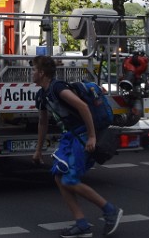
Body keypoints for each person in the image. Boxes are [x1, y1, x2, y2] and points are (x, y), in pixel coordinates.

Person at [30, 55, 123, 237]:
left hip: (81, 135)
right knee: (59, 176)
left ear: (41, 73)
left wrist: (91, 136)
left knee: (69, 180)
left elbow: (83, 107)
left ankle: (110, 210)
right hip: (69, 137)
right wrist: (38, 150)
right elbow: (42, 123)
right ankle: (81, 223)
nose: (31, 73)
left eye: (33, 69)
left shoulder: (58, 88)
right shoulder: (41, 95)